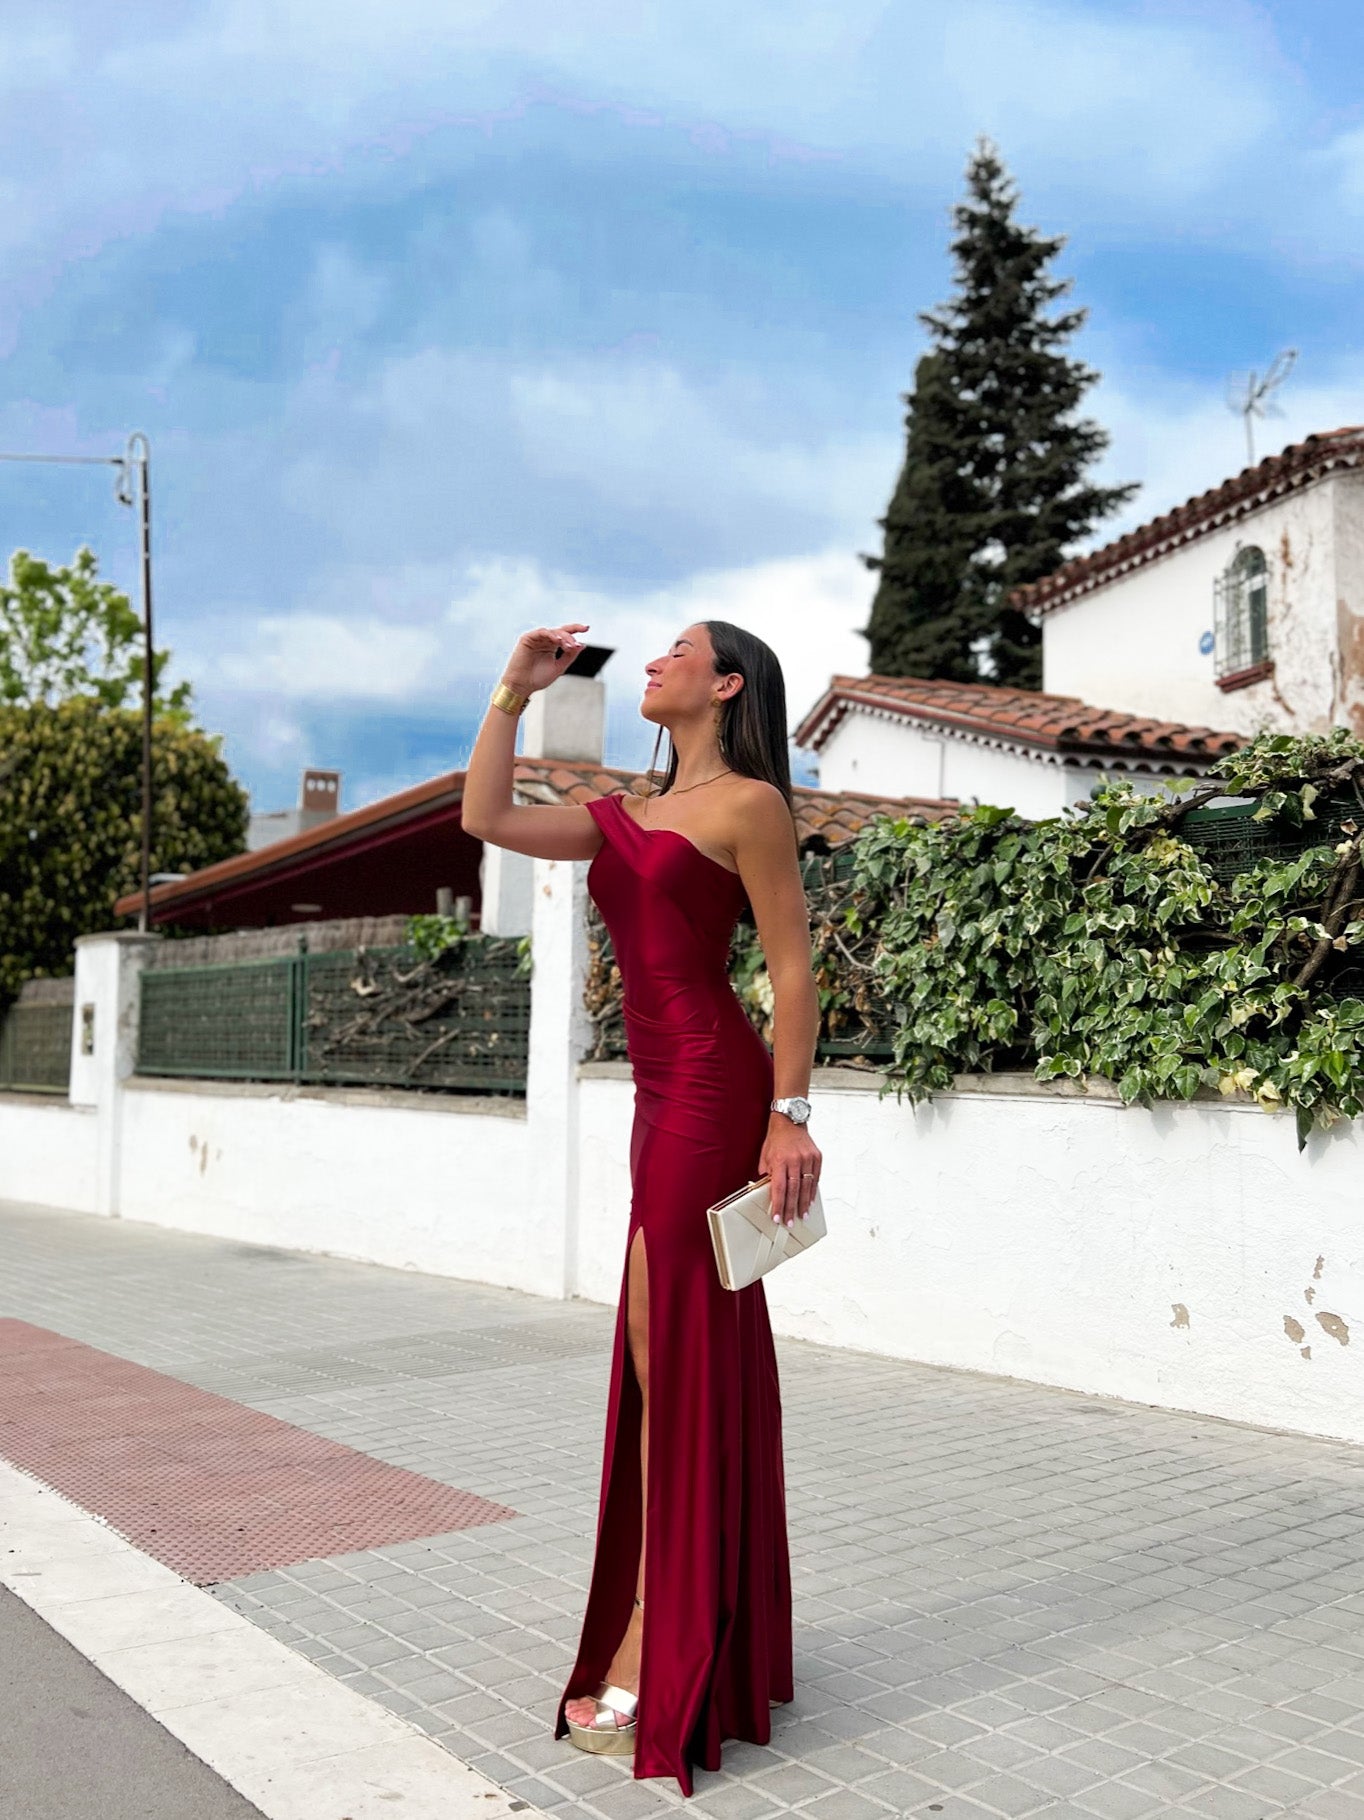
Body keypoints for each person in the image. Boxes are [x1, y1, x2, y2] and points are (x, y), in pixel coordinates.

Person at [462, 618, 822, 1796]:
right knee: (657, 1351)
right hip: (652, 1092)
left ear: (723, 685)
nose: (652, 664)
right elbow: (488, 821)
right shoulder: (625, 814)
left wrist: (789, 1113)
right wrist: (512, 692)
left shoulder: (749, 805)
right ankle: (693, 1612)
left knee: (667, 1352)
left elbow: (789, 967)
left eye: (677, 651)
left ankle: (652, 1639)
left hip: (715, 1090)